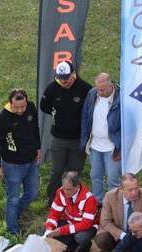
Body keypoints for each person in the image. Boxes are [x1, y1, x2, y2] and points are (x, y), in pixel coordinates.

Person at [0, 88, 43, 235]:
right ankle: (13, 229)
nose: (20, 110)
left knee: (32, 193)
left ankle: (13, 216)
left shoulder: (31, 107)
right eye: (16, 107)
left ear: (26, 101)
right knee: (12, 199)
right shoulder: (1, 118)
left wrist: (38, 148)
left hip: (32, 161)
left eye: (22, 106)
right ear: (10, 103)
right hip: (12, 164)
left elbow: (35, 129)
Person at [40, 60, 92, 205]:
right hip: (58, 138)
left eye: (66, 79)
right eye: (61, 79)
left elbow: (91, 110)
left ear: (73, 74)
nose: (63, 82)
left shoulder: (84, 88)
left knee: (74, 172)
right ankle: (53, 199)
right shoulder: (52, 88)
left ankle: (73, 199)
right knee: (56, 170)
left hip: (78, 139)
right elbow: (44, 106)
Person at [80, 72, 121, 209]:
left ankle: (112, 205)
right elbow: (85, 115)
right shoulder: (92, 94)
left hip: (112, 148)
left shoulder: (121, 98)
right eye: (98, 89)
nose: (100, 92)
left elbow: (128, 126)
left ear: (111, 85)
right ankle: (97, 202)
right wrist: (86, 140)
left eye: (103, 90)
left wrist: (121, 148)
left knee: (113, 180)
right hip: (95, 146)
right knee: (95, 176)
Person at [95, 173, 142, 252]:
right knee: (102, 240)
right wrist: (122, 235)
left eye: (136, 188)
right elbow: (105, 222)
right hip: (117, 231)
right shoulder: (110, 197)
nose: (134, 193)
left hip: (138, 232)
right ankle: (117, 249)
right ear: (121, 188)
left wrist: (141, 232)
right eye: (130, 190)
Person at [44, 171, 99, 252]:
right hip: (70, 222)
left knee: (81, 237)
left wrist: (63, 230)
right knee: (46, 230)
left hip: (89, 226)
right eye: (64, 188)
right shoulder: (60, 192)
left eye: (68, 189)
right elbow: (54, 213)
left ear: (77, 187)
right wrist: (49, 227)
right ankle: (72, 243)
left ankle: (86, 245)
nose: (65, 192)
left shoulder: (89, 199)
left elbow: (86, 223)